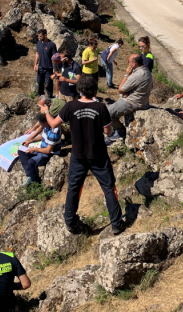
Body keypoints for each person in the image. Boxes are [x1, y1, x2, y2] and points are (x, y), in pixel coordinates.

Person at [46, 75, 125, 235]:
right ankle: (116, 223)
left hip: (78, 154)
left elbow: (53, 124)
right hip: (98, 154)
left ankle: (69, 221)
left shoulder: (70, 106)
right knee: (108, 187)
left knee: (73, 188)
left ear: (80, 89)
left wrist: (46, 111)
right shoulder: (100, 107)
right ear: (94, 90)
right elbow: (108, 131)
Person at [106, 54, 153, 144]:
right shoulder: (146, 71)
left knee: (107, 112)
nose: (128, 63)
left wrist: (126, 75)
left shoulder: (137, 75)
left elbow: (120, 89)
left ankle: (120, 132)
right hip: (141, 100)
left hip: (134, 102)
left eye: (129, 61)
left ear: (133, 64)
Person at [17, 112, 62, 185]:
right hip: (41, 150)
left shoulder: (54, 131)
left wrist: (34, 149)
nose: (40, 125)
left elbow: (48, 150)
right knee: (21, 151)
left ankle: (35, 183)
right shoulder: (47, 127)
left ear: (45, 122)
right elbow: (42, 136)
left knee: (31, 162)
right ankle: (30, 175)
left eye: (41, 123)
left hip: (48, 154)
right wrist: (30, 141)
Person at [33, 29, 57, 98]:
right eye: (38, 36)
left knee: (49, 83)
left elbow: (54, 57)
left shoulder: (52, 45)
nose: (39, 38)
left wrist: (54, 68)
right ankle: (41, 96)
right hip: (40, 67)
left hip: (49, 68)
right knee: (40, 82)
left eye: (40, 36)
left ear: (45, 35)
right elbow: (37, 53)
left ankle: (50, 96)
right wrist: (35, 64)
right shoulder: (39, 43)